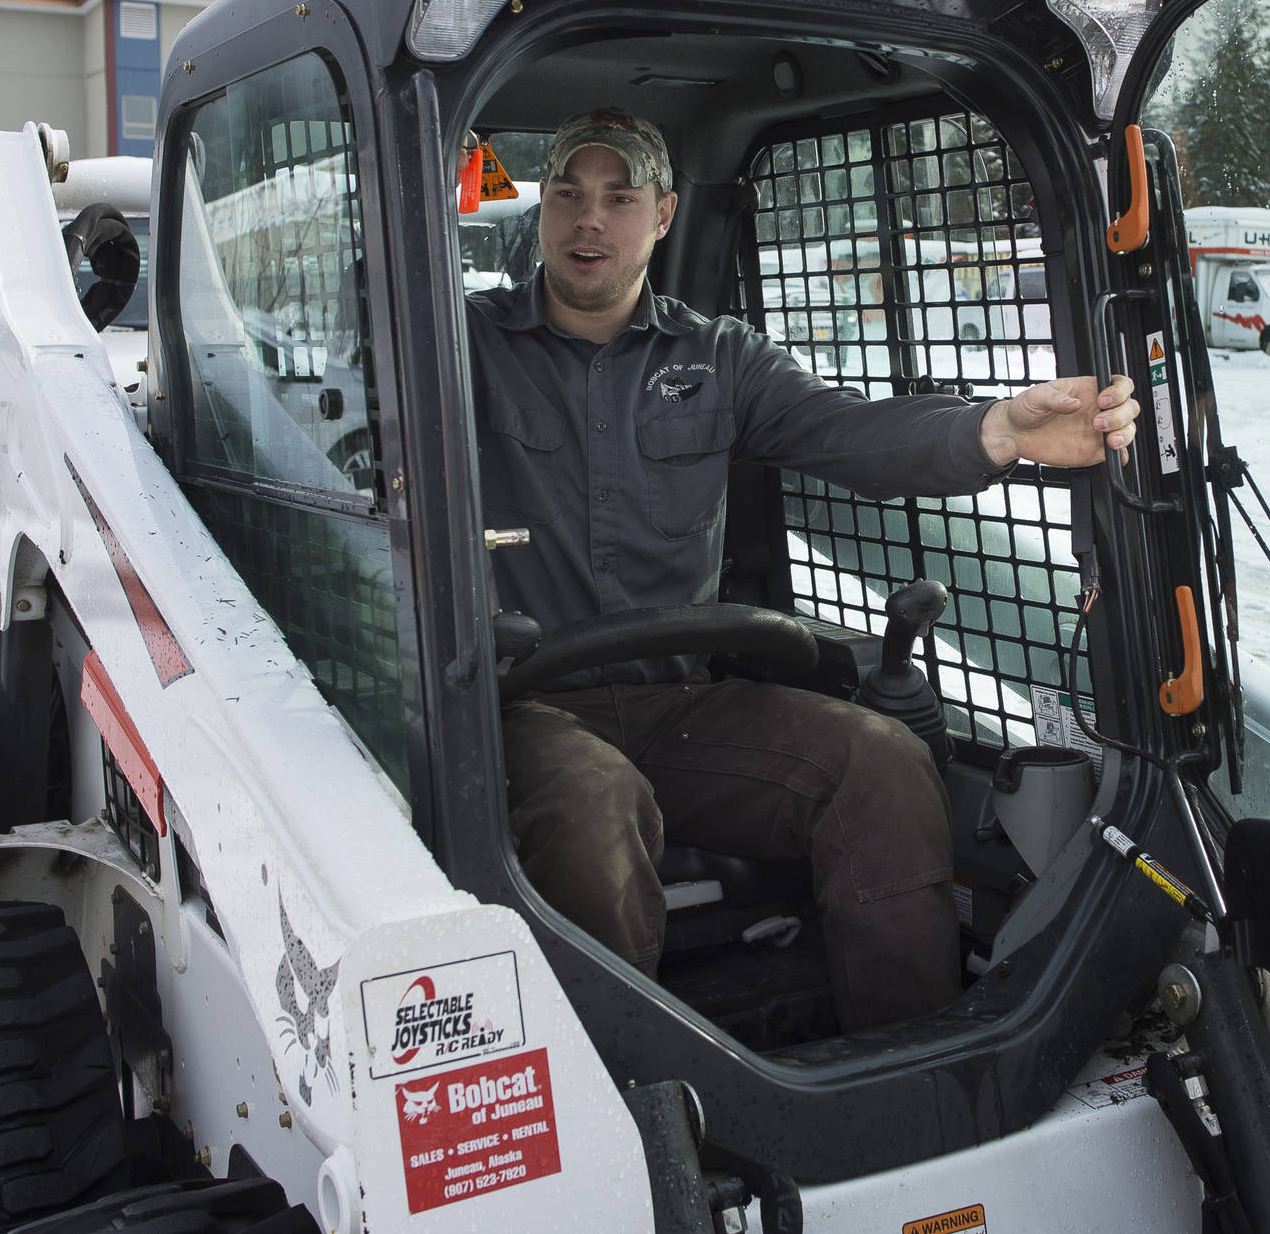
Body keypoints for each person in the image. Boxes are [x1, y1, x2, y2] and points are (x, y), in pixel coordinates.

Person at [466, 109, 1138, 1032]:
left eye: (619, 198)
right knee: (593, 803)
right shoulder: (461, 345)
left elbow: (851, 431)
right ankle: (624, 1096)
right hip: (527, 709)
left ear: (662, 214)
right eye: (569, 195)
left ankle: (910, 1071)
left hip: (680, 704)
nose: (590, 221)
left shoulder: (720, 360)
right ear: (542, 208)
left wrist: (997, 430)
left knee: (883, 761)